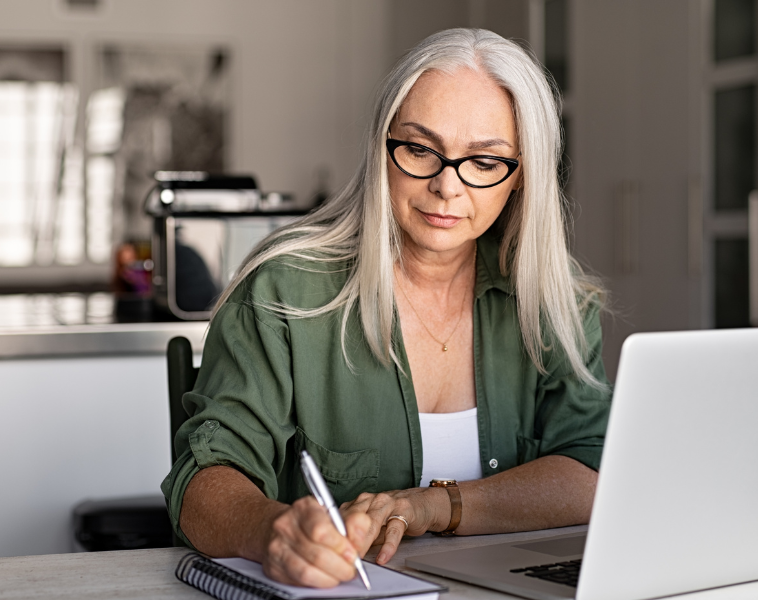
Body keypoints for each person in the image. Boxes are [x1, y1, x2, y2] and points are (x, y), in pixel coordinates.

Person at [160, 28, 611, 588]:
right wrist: (270, 530)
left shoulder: (554, 297)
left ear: (521, 177)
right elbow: (203, 479)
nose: (447, 186)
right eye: (421, 149)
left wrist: (432, 506)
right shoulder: (283, 289)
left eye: (485, 161)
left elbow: (592, 471)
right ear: (382, 148)